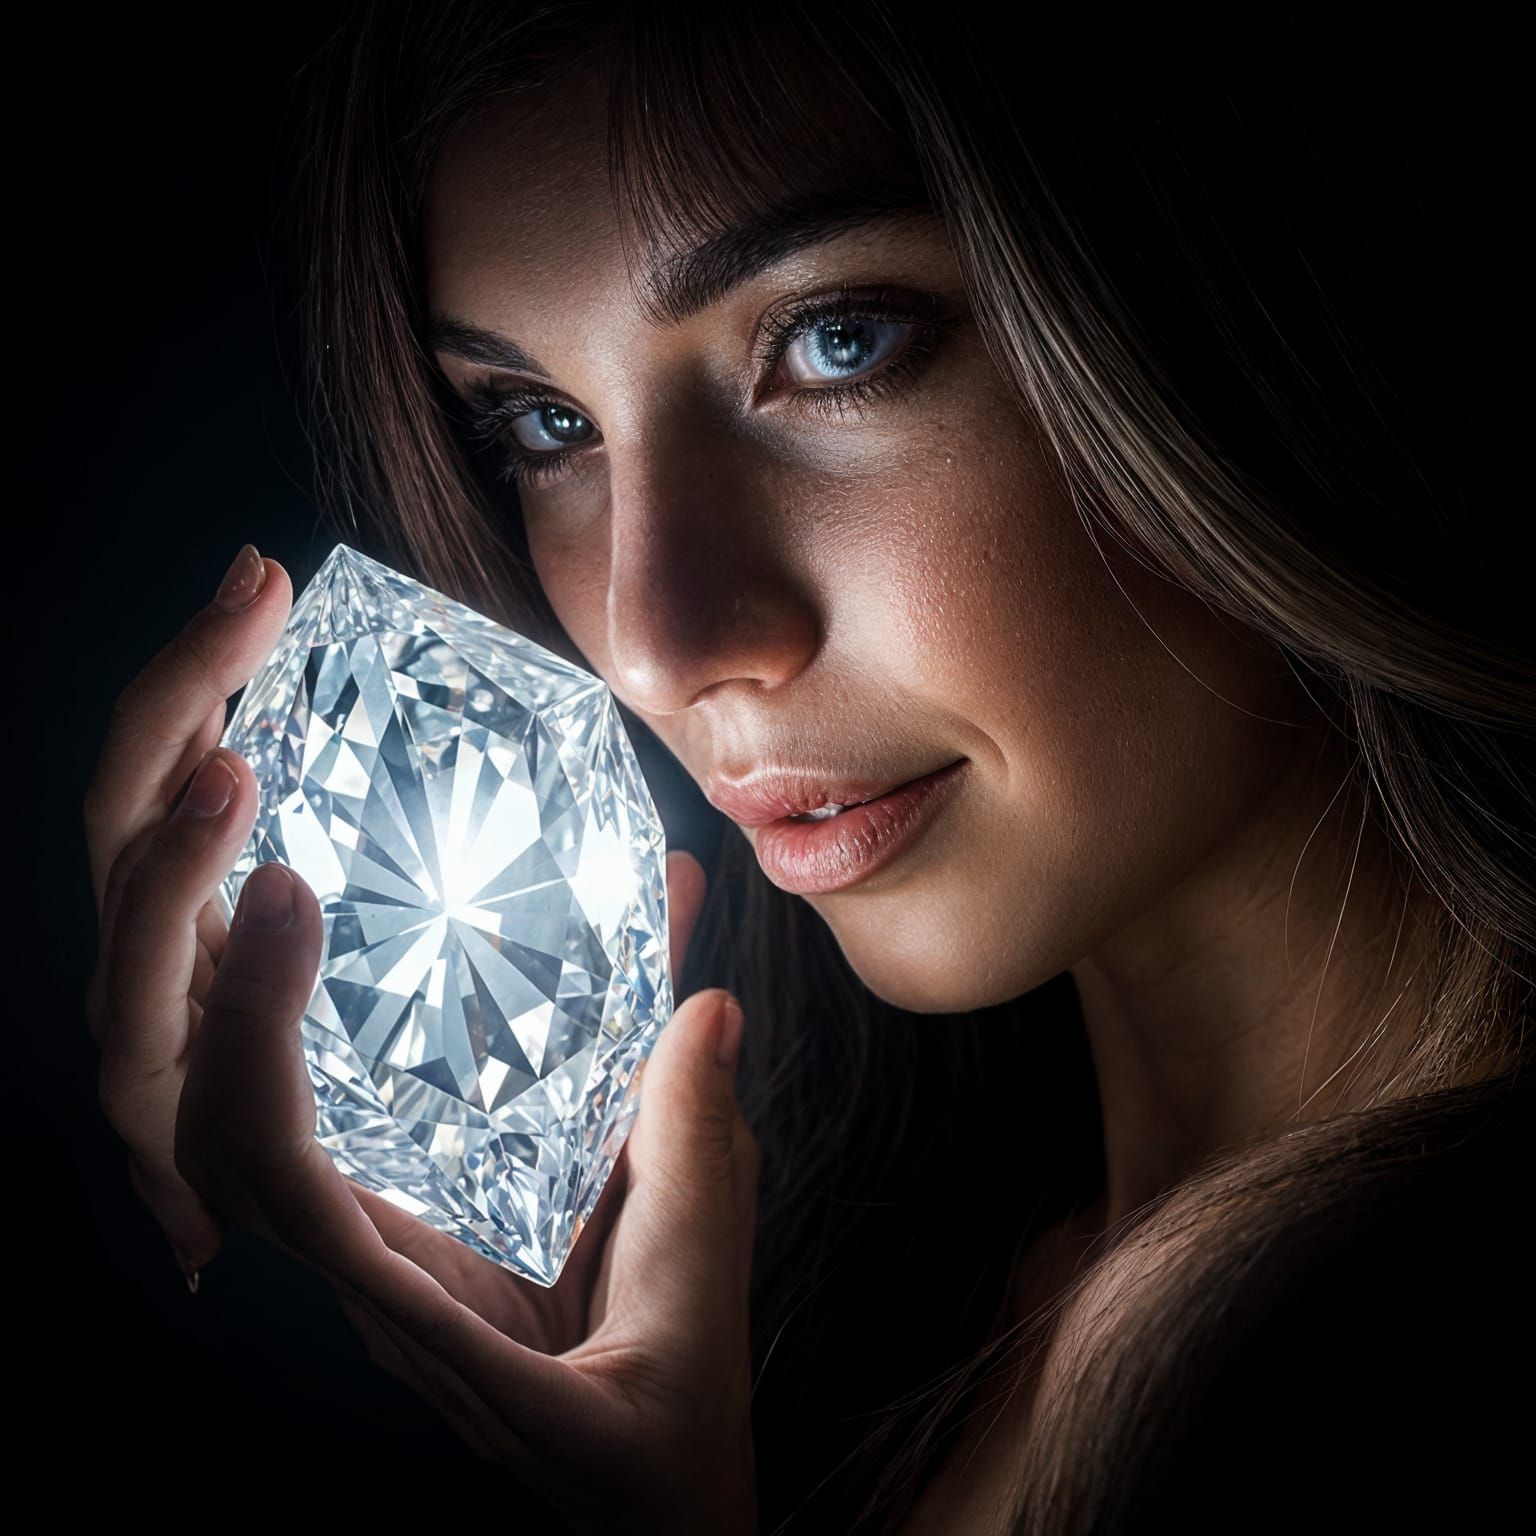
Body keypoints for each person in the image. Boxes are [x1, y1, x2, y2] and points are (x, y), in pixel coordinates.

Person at [83, 5, 1532, 1532]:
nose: (653, 645)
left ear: (1230, 288)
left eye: (842, 341)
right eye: (546, 425)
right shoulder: (878, 1304)